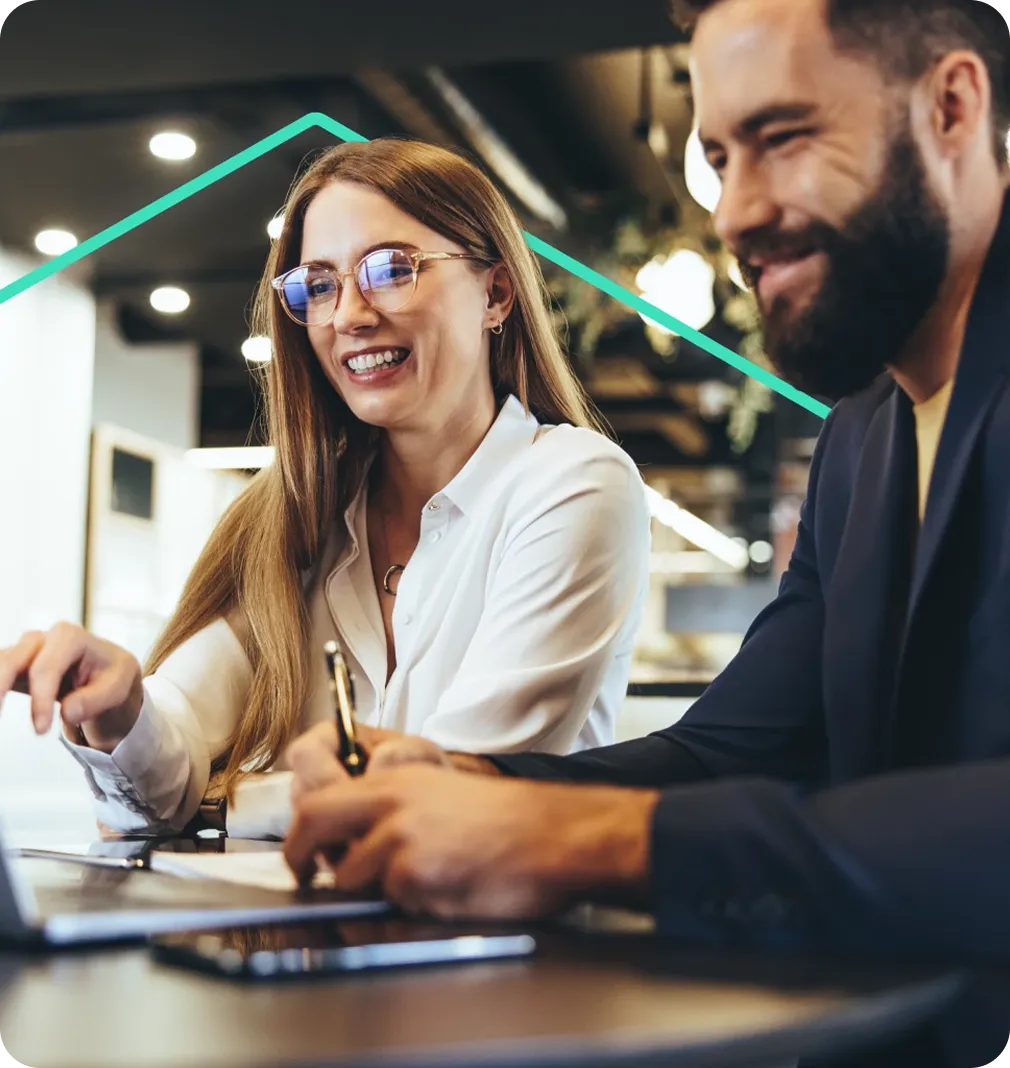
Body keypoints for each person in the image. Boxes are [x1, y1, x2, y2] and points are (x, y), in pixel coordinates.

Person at [282, 1, 1010, 1065]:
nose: (733, 212)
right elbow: (733, 750)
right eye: (717, 156)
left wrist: (605, 842)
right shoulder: (862, 434)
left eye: (782, 137)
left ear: (949, 106)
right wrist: (470, 784)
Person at [0, 138, 651, 840]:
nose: (348, 315)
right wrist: (125, 710)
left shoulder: (576, 483)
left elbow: (453, 796)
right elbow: (165, 764)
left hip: (517, 945)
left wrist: (219, 805)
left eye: (391, 269)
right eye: (319, 284)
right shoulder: (299, 515)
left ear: (495, 293)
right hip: (315, 943)